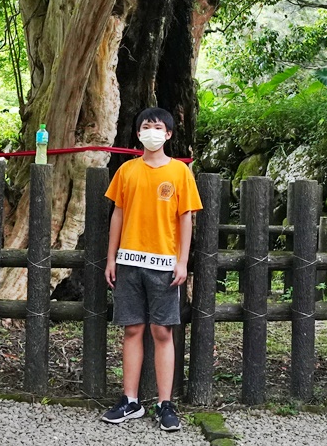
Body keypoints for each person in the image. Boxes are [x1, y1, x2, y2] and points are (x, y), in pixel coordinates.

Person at [100, 107, 202, 431]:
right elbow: (117, 214)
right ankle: (130, 400)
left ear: (169, 134)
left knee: (162, 331)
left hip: (165, 264)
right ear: (138, 133)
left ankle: (164, 403)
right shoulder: (126, 171)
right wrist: (110, 257)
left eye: (158, 127)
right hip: (129, 261)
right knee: (132, 329)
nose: (152, 132)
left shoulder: (180, 173)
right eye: (147, 126)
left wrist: (183, 261)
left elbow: (186, 218)